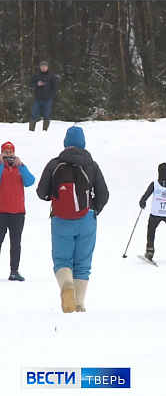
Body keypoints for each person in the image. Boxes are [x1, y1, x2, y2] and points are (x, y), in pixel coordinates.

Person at [36, 126, 109, 313]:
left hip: (60, 219)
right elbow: (104, 193)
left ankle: (66, 285)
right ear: (83, 143)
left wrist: (54, 199)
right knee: (83, 263)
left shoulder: (55, 164)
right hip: (87, 218)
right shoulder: (91, 164)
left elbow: (41, 192)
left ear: (66, 143)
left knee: (62, 260)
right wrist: (94, 210)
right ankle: (78, 303)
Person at [0, 141, 36, 281]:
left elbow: (30, 181)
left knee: (16, 243)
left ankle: (14, 270)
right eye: (6, 153)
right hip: (2, 211)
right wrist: (1, 165)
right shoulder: (1, 168)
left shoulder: (19, 169)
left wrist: (22, 166)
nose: (8, 156)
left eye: (10, 153)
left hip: (18, 212)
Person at [29, 61, 59, 132]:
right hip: (37, 99)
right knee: (34, 114)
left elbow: (55, 87)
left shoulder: (51, 76)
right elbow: (30, 84)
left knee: (46, 115)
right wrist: (37, 84)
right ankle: (31, 130)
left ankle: (45, 130)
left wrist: (51, 95)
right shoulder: (36, 75)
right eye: (42, 66)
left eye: (45, 66)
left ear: (47, 67)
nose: (43, 68)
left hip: (48, 99)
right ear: (40, 67)